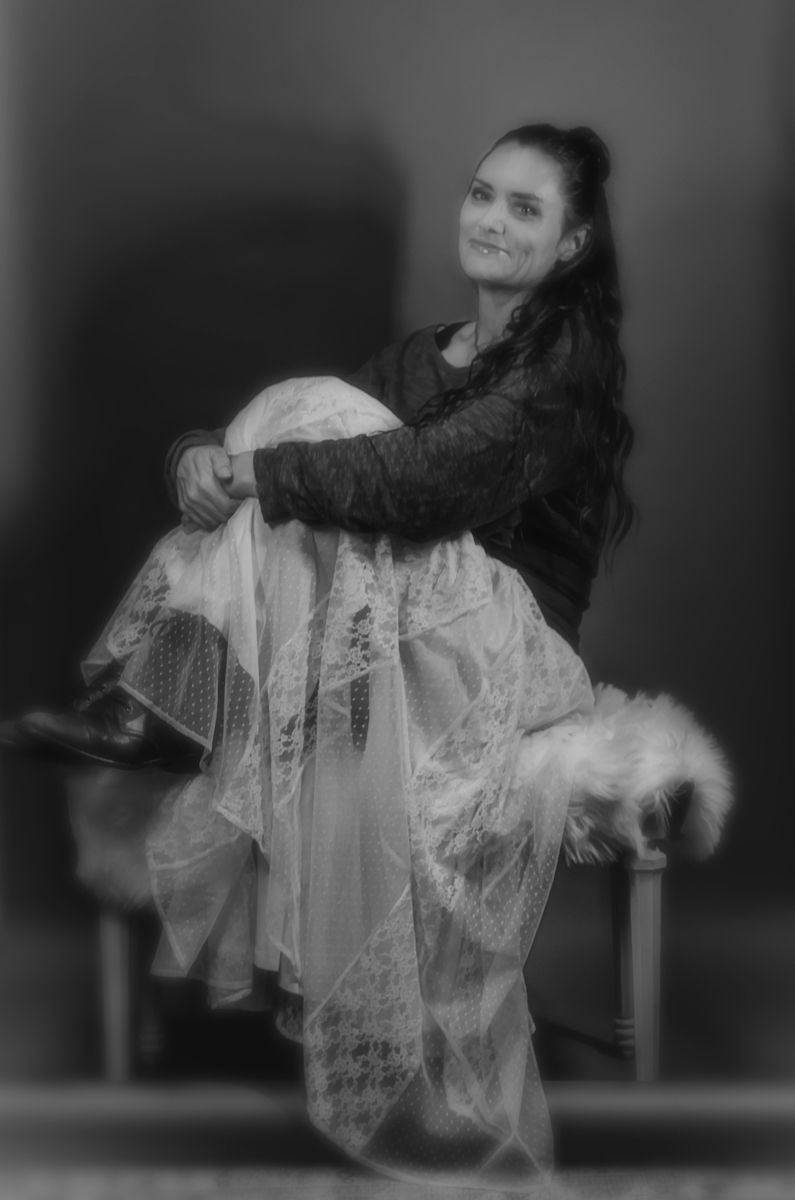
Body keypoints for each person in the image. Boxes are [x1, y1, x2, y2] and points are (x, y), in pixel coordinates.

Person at [2, 124, 634, 1186]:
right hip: (397, 636)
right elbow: (308, 473)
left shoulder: (563, 367)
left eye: (525, 208)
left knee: (315, 417)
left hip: (507, 653)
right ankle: (173, 699)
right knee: (305, 430)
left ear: (571, 245)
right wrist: (198, 458)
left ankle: (167, 700)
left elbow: (423, 482)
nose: (489, 218)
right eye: (482, 193)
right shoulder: (420, 356)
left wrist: (249, 469)